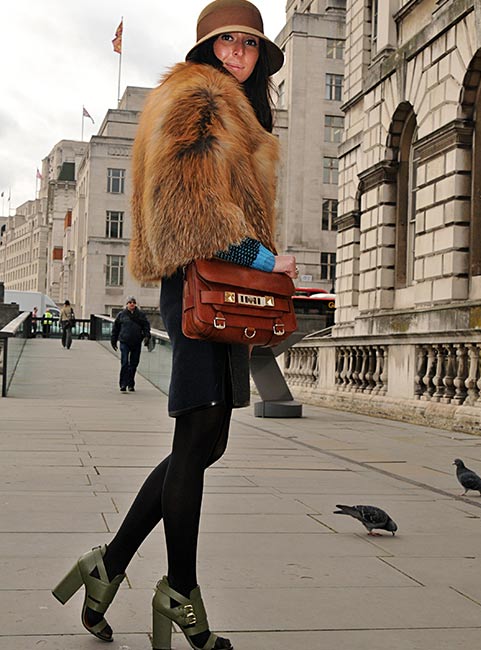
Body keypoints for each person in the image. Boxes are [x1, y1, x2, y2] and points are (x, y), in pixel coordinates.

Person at [52, 2, 297, 649]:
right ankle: (181, 595)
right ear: (208, 48)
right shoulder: (196, 99)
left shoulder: (236, 111)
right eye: (229, 42)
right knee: (196, 439)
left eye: (251, 43)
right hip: (200, 286)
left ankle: (107, 566)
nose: (241, 52)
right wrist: (268, 259)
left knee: (207, 443)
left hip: (223, 294)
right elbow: (190, 207)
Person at [110, 296, 151, 392]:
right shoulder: (121, 315)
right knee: (124, 363)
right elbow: (115, 329)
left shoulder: (140, 315)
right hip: (124, 341)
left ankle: (131, 384)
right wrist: (113, 340)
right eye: (130, 302)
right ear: (127, 304)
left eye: (133, 302)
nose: (132, 304)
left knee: (134, 364)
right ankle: (123, 384)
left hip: (136, 342)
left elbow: (146, 326)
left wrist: (147, 336)